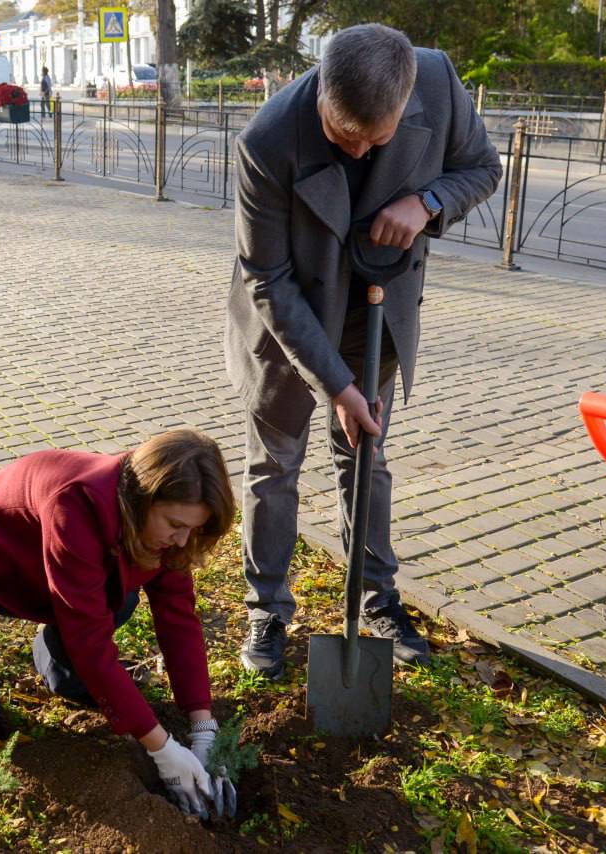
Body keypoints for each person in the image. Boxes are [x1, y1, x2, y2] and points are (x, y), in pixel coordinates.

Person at [225, 24, 502, 679]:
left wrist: (428, 200)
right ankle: (266, 609)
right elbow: (268, 279)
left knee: (365, 456)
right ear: (321, 85)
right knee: (275, 464)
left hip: (377, 308)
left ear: (407, 103)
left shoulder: (436, 81)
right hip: (287, 320)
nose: (355, 147)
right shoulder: (266, 140)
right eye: (340, 132)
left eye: (372, 139)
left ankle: (380, 599)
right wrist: (336, 388)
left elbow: (484, 168)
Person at [0, 430, 238, 818]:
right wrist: (162, 749)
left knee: (116, 599)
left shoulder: (165, 527)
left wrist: (203, 726)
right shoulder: (78, 501)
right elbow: (90, 641)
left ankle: (63, 673)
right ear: (145, 497)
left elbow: (178, 618)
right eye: (174, 524)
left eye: (193, 529)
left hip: (49, 576)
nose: (182, 540)